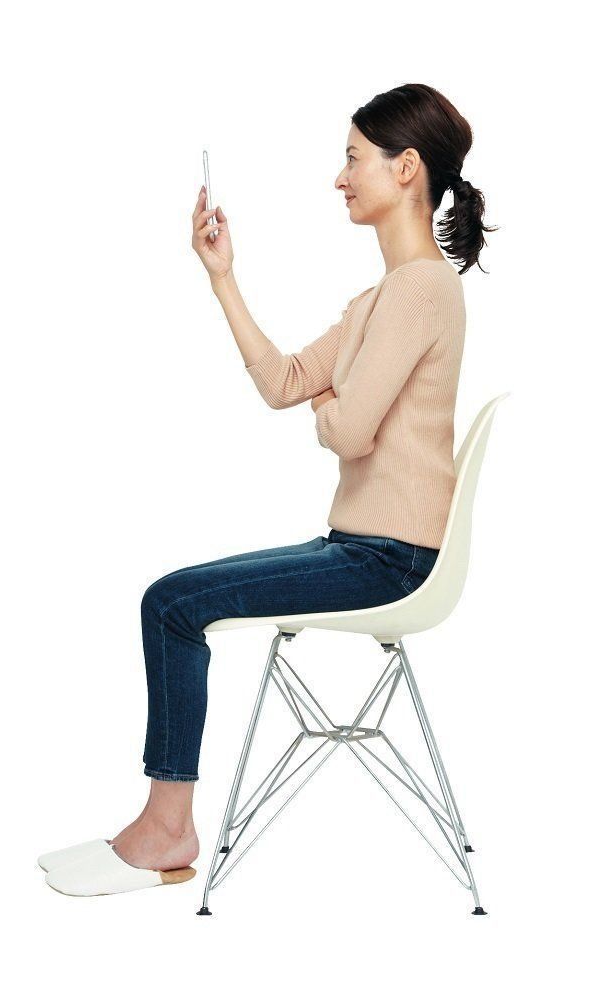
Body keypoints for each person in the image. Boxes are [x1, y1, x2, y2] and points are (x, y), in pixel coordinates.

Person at [41, 82, 497, 896]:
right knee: (173, 598)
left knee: (172, 602)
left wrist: (337, 407)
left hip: (390, 561)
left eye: (353, 159)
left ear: (406, 169)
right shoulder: (382, 297)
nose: (339, 177)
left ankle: (168, 825)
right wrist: (223, 277)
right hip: (362, 548)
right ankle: (164, 823)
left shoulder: (422, 289)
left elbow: (347, 430)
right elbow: (286, 383)